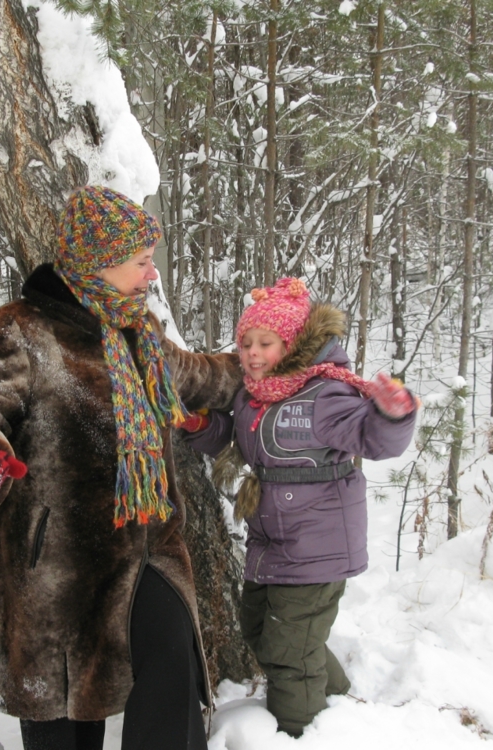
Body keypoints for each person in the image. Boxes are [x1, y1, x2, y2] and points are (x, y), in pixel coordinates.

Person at [0, 186, 241, 750]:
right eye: (141, 263)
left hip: (150, 552)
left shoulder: (139, 331)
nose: (151, 276)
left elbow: (197, 377)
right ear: (100, 264)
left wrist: (269, 364)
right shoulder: (24, 330)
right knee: (66, 723)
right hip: (58, 571)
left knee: (172, 673)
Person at [182, 277, 417, 737]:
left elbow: (372, 438)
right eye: (245, 342)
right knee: (258, 629)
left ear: (290, 344)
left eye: (265, 343)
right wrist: (197, 424)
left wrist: (393, 414)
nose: (251, 352)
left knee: (289, 651)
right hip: (271, 542)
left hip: (317, 546)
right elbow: (233, 441)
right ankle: (336, 698)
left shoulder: (324, 393)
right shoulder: (255, 397)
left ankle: (300, 730)